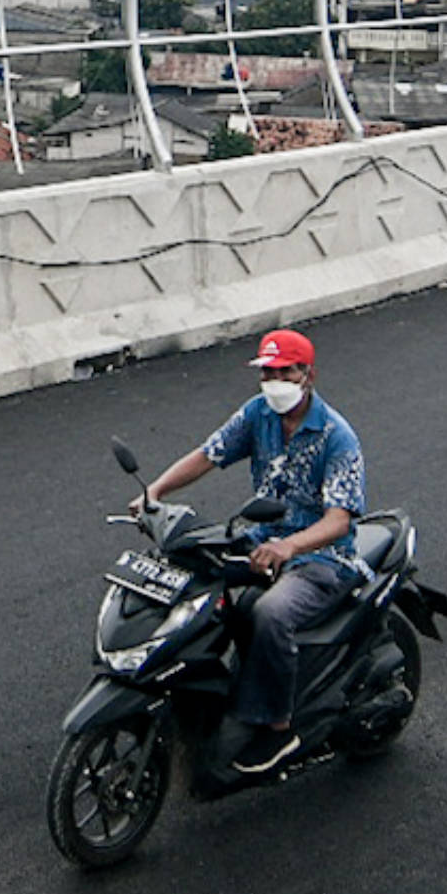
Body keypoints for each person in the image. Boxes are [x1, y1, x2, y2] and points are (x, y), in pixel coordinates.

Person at [137, 327, 367, 777]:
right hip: (261, 545)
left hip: (321, 558)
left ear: (308, 375)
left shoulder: (337, 437)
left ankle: (279, 729)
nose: (275, 381)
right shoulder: (258, 414)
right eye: (268, 372)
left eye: (285, 371)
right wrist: (157, 490)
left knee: (270, 613)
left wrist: (289, 545)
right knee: (202, 592)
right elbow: (208, 454)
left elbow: (340, 520)